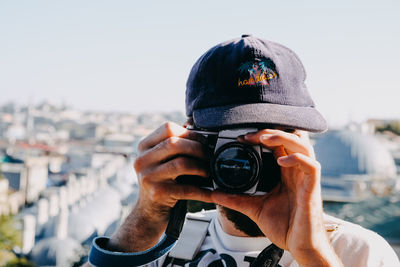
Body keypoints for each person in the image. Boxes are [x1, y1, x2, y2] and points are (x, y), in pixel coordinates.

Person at [86, 35, 400, 266]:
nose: (251, 159)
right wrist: (144, 221)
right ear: (191, 141)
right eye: (230, 137)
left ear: (303, 142)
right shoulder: (159, 247)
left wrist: (312, 253)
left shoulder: (357, 252)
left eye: (273, 139)